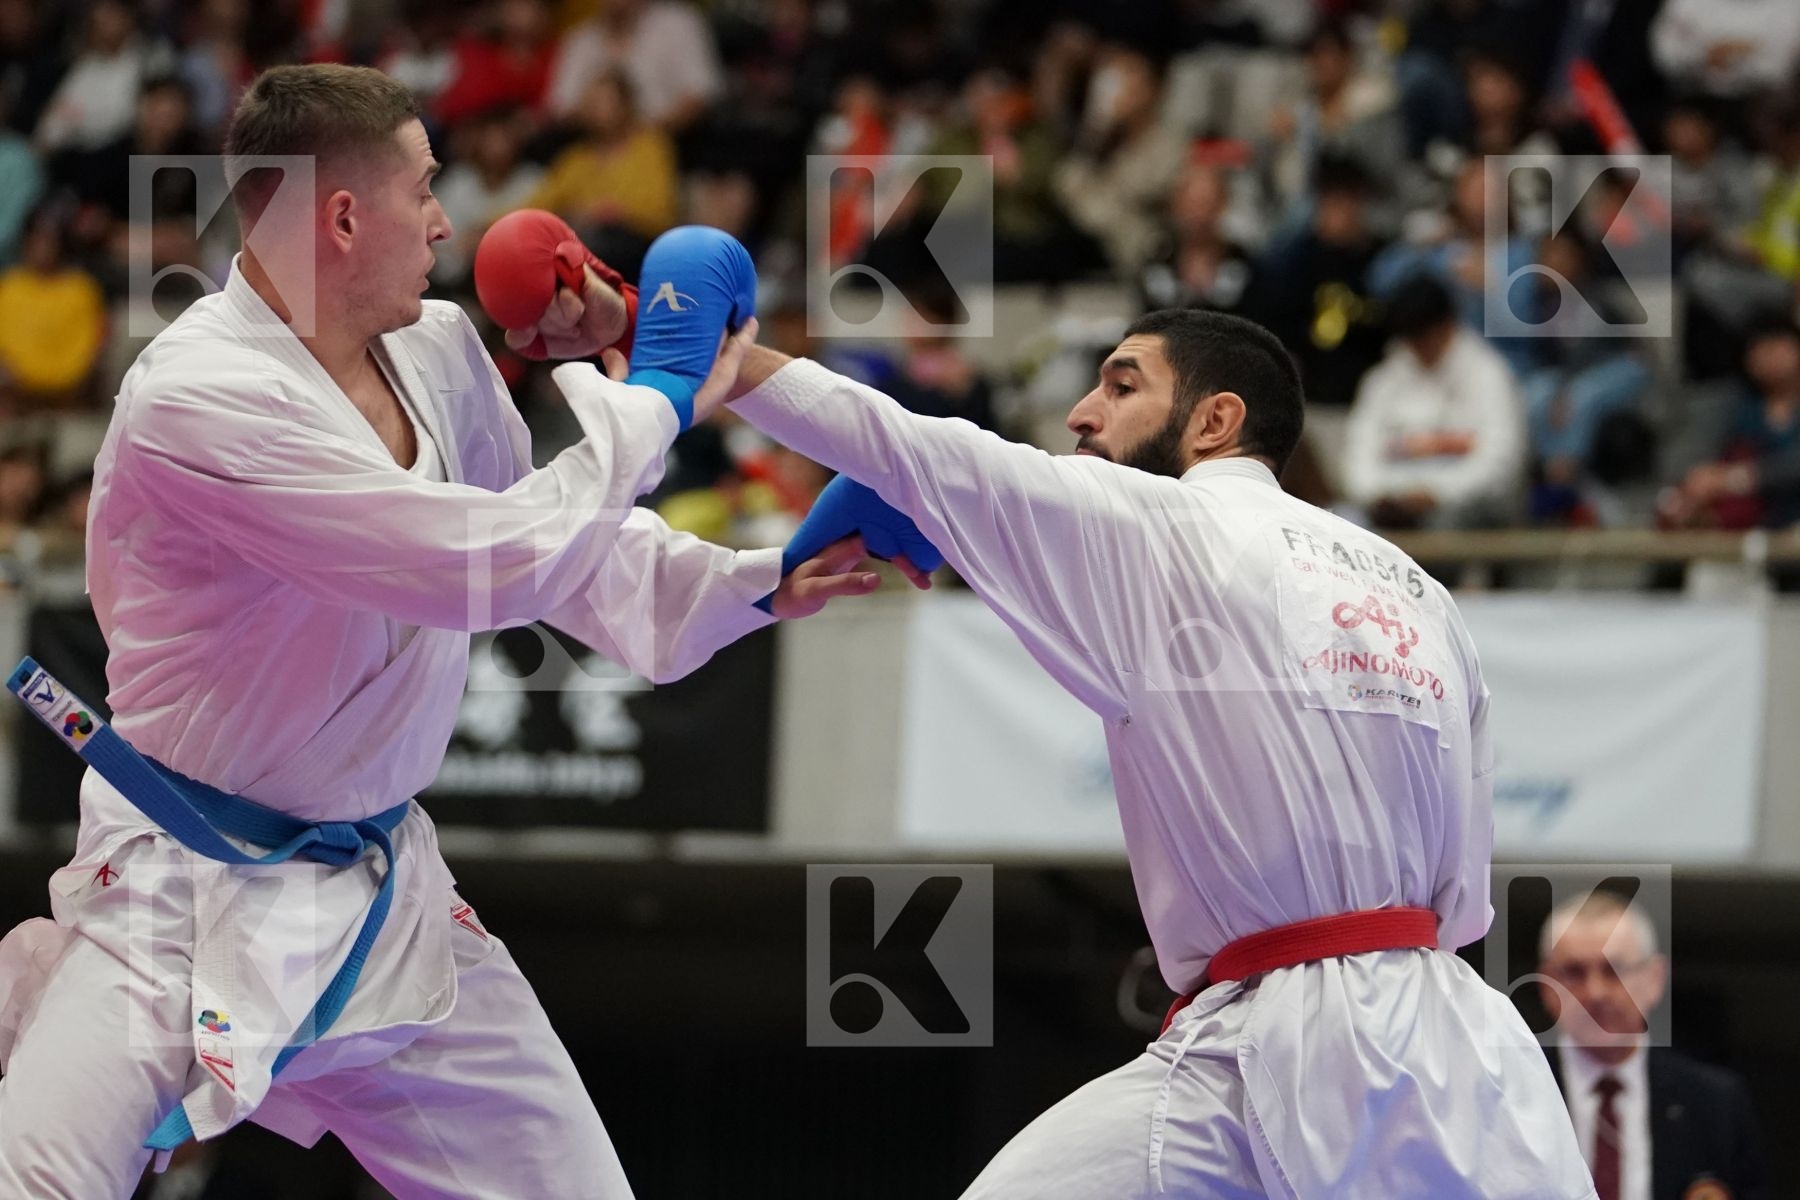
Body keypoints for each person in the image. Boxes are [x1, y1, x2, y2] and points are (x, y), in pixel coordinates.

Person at [0, 64, 884, 1200]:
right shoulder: (195, 397)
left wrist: (760, 581)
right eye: (423, 188)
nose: (444, 221)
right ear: (342, 216)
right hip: (178, 892)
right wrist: (654, 396)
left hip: (380, 899)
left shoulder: (442, 349)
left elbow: (564, 552)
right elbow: (477, 566)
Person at [510, 280, 1595, 1192]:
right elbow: (1466, 887)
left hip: (1344, 1042)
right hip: (1403, 1030)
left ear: (1214, 422)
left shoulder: (1164, 524)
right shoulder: (1417, 588)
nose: (1082, 412)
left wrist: (714, 355)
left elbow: (917, 446)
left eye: (1122, 385)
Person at [1537, 891, 1768, 1200]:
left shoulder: (1716, 1103)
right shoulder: (1511, 1092)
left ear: (1654, 979)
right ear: (1547, 984)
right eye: (1575, 972)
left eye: (1614, 970)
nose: (1595, 992)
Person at [1340, 273, 1526, 530]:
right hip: (1391, 506)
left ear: (1447, 325)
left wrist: (1437, 494)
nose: (1416, 347)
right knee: (1340, 520)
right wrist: (1381, 494)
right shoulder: (1384, 379)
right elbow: (1358, 455)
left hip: (1463, 509)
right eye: (1410, 337)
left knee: (1446, 523)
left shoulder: (1489, 374)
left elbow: (1500, 463)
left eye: (1422, 335)